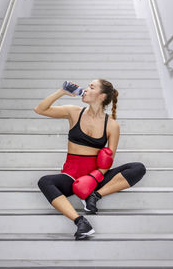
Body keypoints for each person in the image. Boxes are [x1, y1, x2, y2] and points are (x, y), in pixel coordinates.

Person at [34, 79, 146, 240]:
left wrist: (93, 179)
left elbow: (109, 160)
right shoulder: (74, 112)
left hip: (95, 178)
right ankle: (81, 222)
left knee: (138, 168)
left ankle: (94, 196)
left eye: (91, 87)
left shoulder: (112, 125)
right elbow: (40, 109)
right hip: (71, 176)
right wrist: (62, 92)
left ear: (101, 96)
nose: (85, 89)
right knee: (44, 181)